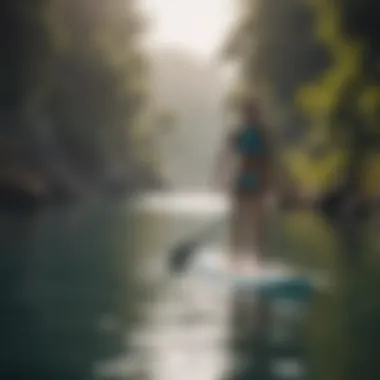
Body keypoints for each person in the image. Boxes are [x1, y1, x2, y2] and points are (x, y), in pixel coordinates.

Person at [215, 100, 274, 270]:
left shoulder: (263, 135)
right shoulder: (239, 134)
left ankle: (260, 261)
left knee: (259, 224)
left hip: (257, 184)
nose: (251, 116)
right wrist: (223, 178)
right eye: (249, 113)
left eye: (253, 113)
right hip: (241, 183)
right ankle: (234, 259)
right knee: (238, 222)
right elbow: (226, 156)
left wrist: (269, 184)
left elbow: (268, 161)